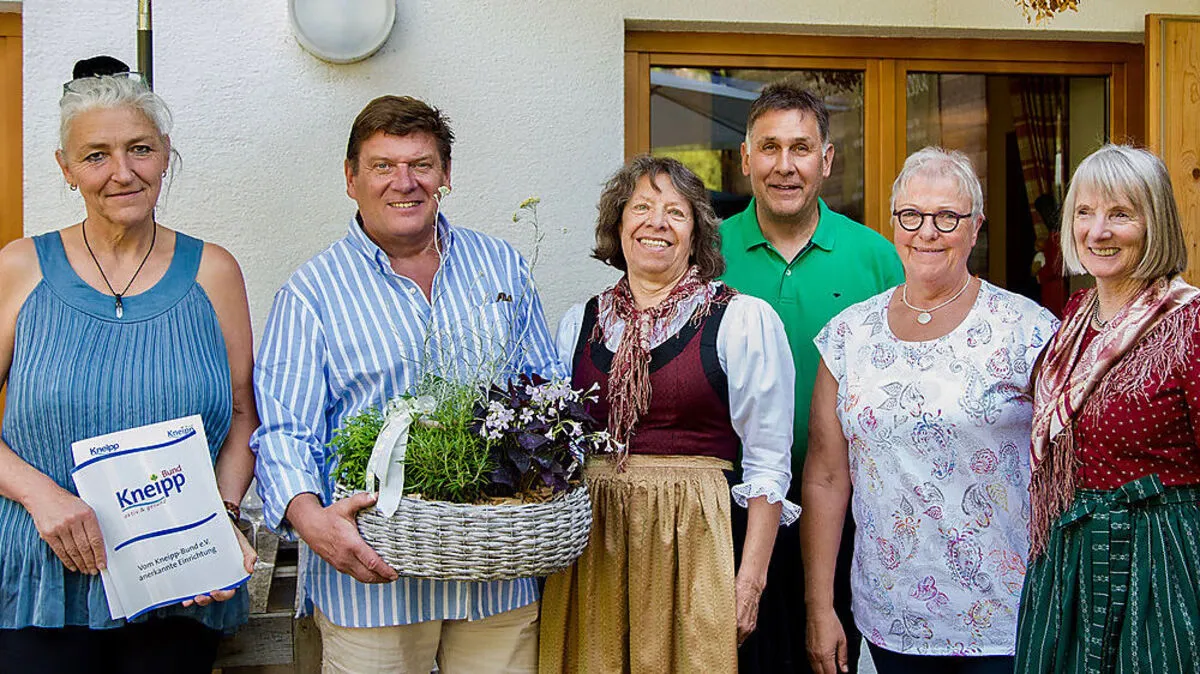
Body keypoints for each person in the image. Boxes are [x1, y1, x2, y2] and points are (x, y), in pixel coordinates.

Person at [251, 95, 562, 674]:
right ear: (351, 179)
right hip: (371, 582)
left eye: (421, 164)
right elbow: (285, 432)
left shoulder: (502, 266)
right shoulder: (311, 293)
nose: (404, 182)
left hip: (493, 579)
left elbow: (545, 393)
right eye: (383, 166)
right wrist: (312, 521)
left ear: (446, 174)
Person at [0, 56, 258, 673]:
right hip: (43, 577)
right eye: (96, 155)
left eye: (140, 148)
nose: (122, 172)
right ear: (65, 168)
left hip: (178, 580)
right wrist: (42, 497)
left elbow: (242, 415)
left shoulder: (214, 272)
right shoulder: (20, 268)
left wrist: (217, 521)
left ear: (165, 154)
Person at [802, 147, 1058, 674]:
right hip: (890, 618)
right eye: (911, 215)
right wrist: (819, 607)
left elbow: (1063, 467)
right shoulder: (849, 336)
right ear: (893, 223)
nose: (927, 232)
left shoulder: (1027, 330)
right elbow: (825, 477)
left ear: (975, 227)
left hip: (1002, 619)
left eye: (947, 217)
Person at [539, 155, 798, 673]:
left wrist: (749, 582)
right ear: (618, 225)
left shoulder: (740, 320)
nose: (656, 222)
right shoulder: (579, 323)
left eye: (676, 212)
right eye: (641, 208)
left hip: (696, 543)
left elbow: (768, 462)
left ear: (696, 235)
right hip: (596, 549)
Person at [719, 79, 906, 673]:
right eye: (769, 148)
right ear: (745, 158)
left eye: (800, 148)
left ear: (826, 160)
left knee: (828, 659)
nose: (784, 165)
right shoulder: (705, 253)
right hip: (729, 514)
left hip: (845, 517)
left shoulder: (875, 258)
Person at [1015, 144, 1200, 673]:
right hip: (1068, 557)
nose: (1097, 231)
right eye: (1084, 212)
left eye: (1120, 214)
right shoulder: (1076, 316)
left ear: (1154, 222)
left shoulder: (1190, 325)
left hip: (1160, 561)